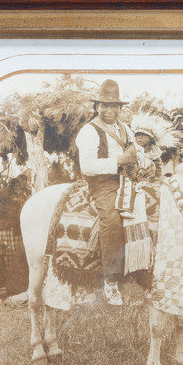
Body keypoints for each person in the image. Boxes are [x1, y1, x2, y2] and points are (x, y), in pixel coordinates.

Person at [74, 79, 137, 305]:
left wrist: (143, 163)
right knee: (111, 218)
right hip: (102, 182)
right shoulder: (89, 131)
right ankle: (110, 281)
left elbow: (135, 152)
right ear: (97, 107)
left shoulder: (125, 128)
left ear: (120, 108)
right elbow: (87, 166)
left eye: (114, 106)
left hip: (127, 179)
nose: (110, 111)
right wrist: (119, 160)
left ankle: (142, 273)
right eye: (105, 105)